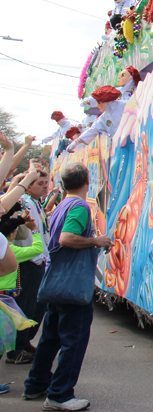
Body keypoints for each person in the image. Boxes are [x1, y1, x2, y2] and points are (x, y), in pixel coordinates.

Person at [23, 162, 111, 411]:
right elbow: (66, 238)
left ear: (62, 184)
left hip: (57, 282)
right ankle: (60, 395)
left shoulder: (62, 205)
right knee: (74, 341)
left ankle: (36, 383)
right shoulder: (80, 206)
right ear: (87, 181)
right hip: (73, 286)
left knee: (50, 338)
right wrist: (97, 240)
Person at [6, 166, 50, 364]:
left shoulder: (35, 202)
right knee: (25, 305)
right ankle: (16, 349)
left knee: (36, 305)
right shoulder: (24, 202)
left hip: (38, 259)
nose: (45, 186)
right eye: (40, 183)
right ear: (28, 187)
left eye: (46, 182)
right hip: (27, 260)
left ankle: (24, 343)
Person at [67, 86, 126, 152]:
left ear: (105, 101)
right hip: (121, 147)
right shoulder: (104, 118)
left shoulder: (125, 105)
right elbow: (92, 130)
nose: (97, 105)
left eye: (98, 102)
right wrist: (76, 143)